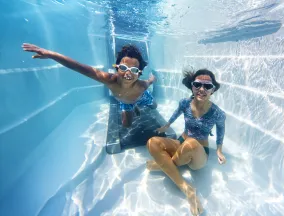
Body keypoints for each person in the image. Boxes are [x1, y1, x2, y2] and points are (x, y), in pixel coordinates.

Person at [146, 69, 226, 215]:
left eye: (207, 86)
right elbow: (176, 113)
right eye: (197, 85)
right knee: (152, 142)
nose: (202, 89)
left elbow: (221, 130)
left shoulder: (218, 113)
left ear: (212, 90)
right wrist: (167, 125)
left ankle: (164, 165)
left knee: (191, 143)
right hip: (181, 142)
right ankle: (187, 188)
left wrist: (219, 150)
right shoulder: (184, 103)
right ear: (192, 86)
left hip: (199, 151)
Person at [22, 43, 157, 127]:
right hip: (125, 102)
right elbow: (79, 67)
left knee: (154, 106)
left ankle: (136, 106)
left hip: (140, 97)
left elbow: (148, 82)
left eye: (134, 70)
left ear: (139, 73)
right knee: (127, 126)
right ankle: (131, 108)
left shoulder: (141, 86)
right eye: (123, 67)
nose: (128, 73)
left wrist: (151, 79)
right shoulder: (109, 80)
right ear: (116, 67)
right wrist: (51, 55)